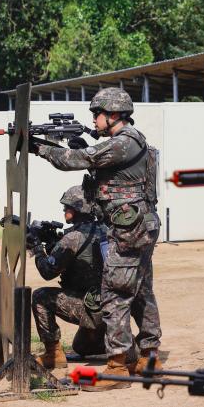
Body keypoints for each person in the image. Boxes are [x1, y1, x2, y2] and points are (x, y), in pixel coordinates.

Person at [31, 88, 162, 391]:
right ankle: (149, 357)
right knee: (142, 291)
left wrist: (41, 148)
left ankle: (118, 367)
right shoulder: (130, 141)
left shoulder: (124, 143)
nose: (94, 119)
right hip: (138, 225)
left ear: (113, 115)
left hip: (129, 229)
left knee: (115, 292)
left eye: (97, 114)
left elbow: (77, 159)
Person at [31, 185, 107, 368]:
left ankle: (53, 354)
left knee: (40, 297)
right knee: (81, 347)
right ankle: (116, 345)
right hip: (110, 307)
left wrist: (36, 247)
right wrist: (53, 245)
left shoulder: (73, 238)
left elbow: (47, 272)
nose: (65, 209)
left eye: (68, 207)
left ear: (80, 209)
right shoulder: (102, 229)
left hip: (92, 308)